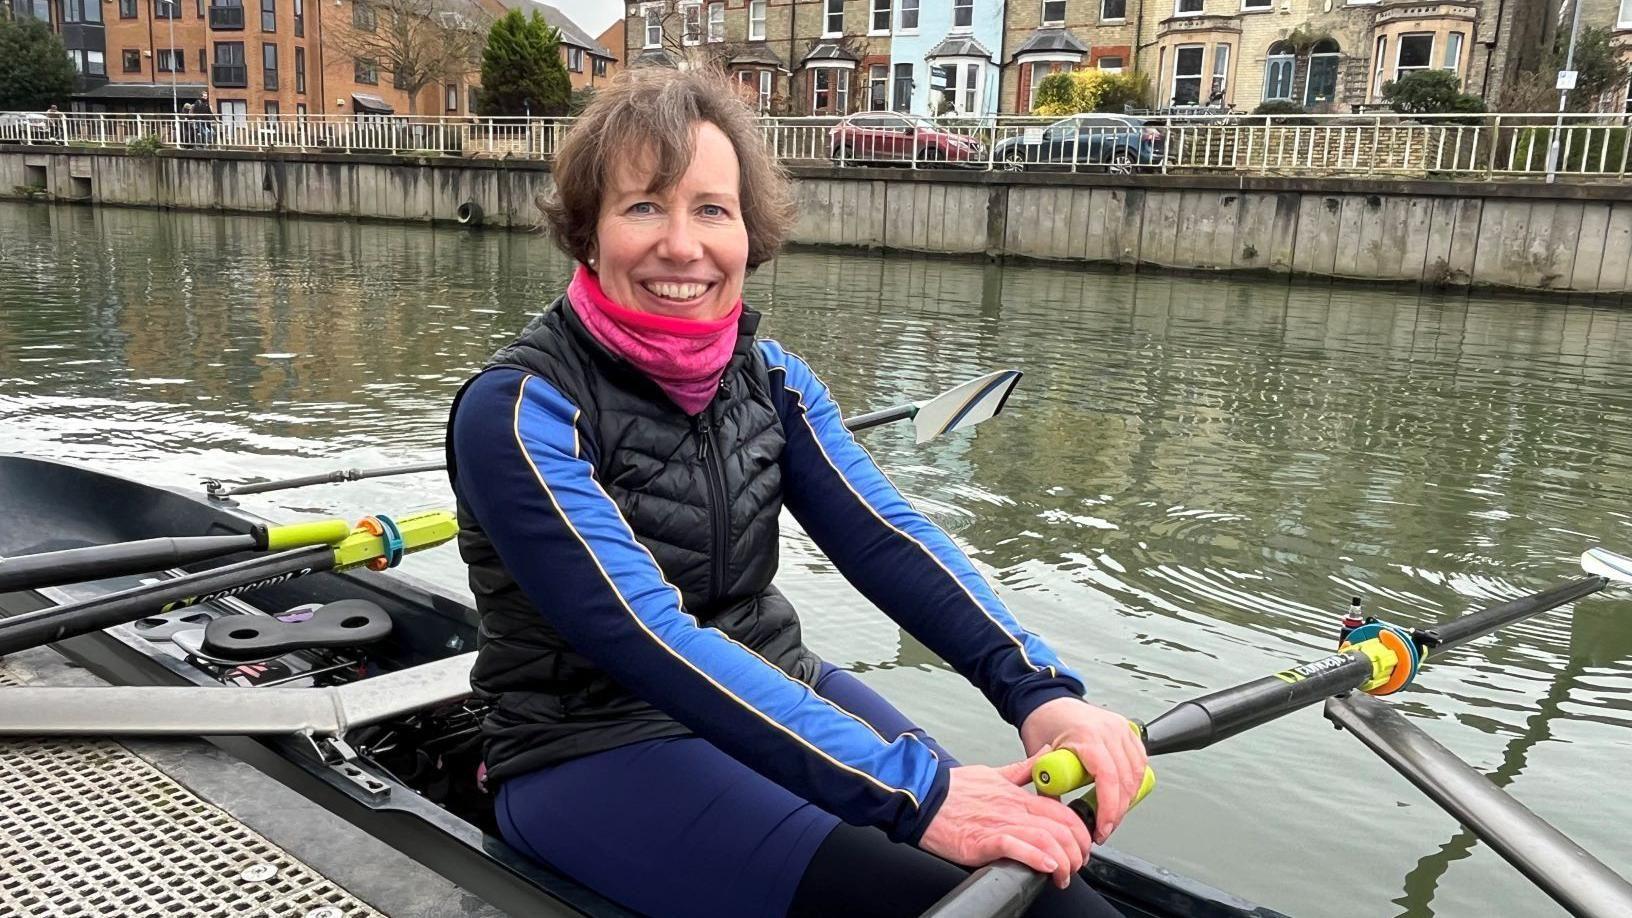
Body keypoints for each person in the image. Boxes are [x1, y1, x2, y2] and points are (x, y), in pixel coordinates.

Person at [446, 67, 1148, 918]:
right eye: (642, 206)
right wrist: (917, 796)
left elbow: (888, 536)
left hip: (774, 679)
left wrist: (1039, 689)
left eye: (712, 208)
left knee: (1043, 880)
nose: (682, 244)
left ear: (750, 232)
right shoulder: (519, 410)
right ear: (586, 233)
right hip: (586, 746)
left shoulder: (773, 379)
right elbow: (644, 634)